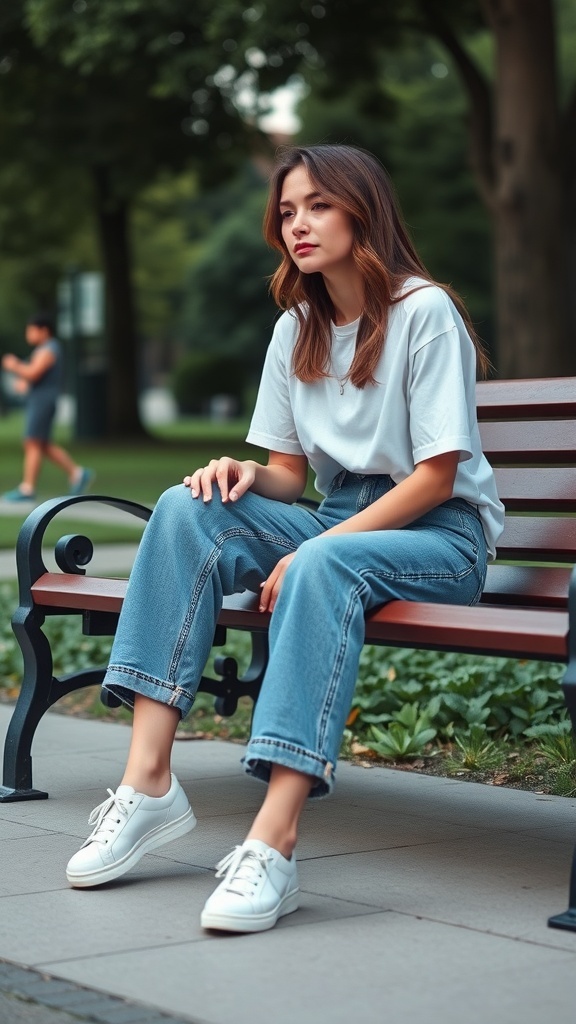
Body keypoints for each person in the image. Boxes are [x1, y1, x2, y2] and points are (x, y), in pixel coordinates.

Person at [65, 145, 504, 933]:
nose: (297, 224)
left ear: (362, 211)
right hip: (341, 517)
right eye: (289, 210)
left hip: (442, 536)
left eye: (318, 206)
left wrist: (313, 549)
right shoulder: (296, 328)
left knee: (325, 562)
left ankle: (275, 839)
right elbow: (290, 478)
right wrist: (240, 472)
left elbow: (438, 478)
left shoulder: (423, 310)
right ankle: (149, 784)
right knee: (185, 506)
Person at [1, 314, 93, 502]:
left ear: (43, 330)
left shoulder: (49, 349)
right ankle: (77, 473)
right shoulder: (43, 350)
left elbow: (33, 373)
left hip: (42, 401)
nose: (28, 334)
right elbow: (33, 375)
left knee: (32, 441)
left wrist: (14, 365)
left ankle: (28, 488)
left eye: (31, 330)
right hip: (40, 399)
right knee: (43, 444)